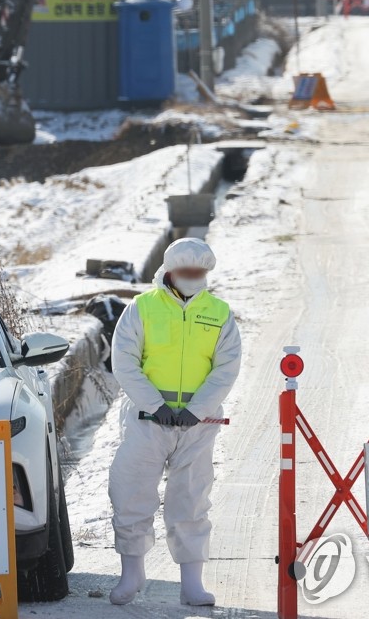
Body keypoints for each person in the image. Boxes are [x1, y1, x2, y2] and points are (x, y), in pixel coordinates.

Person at [107, 238, 242, 606]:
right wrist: (155, 403)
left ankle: (191, 584)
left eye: (201, 273)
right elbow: (124, 361)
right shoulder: (142, 309)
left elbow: (226, 367)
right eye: (187, 272)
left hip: (198, 423)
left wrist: (197, 409)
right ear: (170, 270)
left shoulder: (219, 312)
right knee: (132, 492)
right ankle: (131, 574)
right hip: (148, 419)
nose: (195, 278)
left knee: (192, 497)